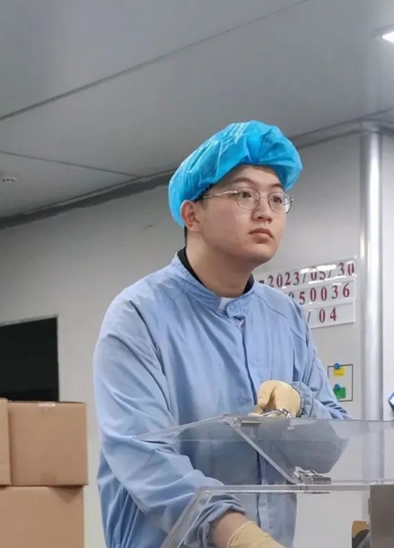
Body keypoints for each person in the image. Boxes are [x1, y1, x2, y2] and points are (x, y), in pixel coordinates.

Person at [94, 121, 349, 548]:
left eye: (277, 197)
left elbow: (329, 451)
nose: (265, 211)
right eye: (244, 194)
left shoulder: (285, 317)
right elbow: (142, 456)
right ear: (192, 214)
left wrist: (301, 405)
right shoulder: (139, 315)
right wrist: (236, 533)